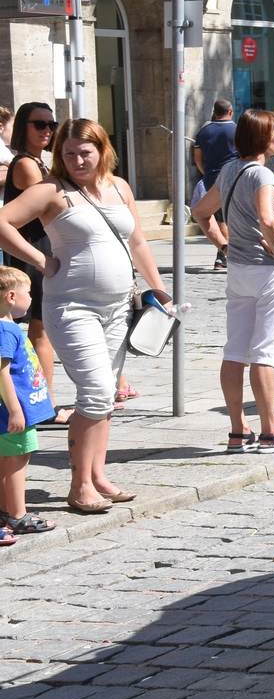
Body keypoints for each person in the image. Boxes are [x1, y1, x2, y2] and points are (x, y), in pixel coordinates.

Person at [0, 119, 169, 512]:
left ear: (102, 150)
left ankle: (97, 476)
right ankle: (79, 487)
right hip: (72, 308)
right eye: (68, 153)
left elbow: (138, 240)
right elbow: (2, 221)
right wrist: (42, 260)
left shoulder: (119, 186)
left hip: (117, 308)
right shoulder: (52, 190)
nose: (77, 160)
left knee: (106, 395)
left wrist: (158, 286)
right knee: (93, 393)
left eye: (85, 152)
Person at [191, 110, 274, 453]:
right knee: (265, 353)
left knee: (235, 351)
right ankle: (271, 428)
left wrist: (223, 245)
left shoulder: (229, 170)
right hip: (268, 271)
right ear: (261, 138)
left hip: (238, 270)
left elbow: (201, 211)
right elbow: (267, 218)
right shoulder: (262, 175)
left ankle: (238, 429)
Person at [3, 103, 64, 426]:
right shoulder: (27, 165)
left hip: (38, 247)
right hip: (32, 251)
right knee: (40, 328)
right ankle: (47, 403)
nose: (47, 130)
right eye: (38, 124)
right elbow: (53, 201)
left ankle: (44, 399)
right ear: (23, 127)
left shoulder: (40, 163)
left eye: (51, 124)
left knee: (42, 327)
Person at [0, 265, 53, 539]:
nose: (31, 298)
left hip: (15, 411)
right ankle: (18, 515)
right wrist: (15, 410)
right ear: (11, 297)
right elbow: (2, 372)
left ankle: (6, 508)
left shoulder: (9, 327)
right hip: (14, 413)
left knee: (9, 458)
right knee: (17, 459)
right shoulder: (5, 331)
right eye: (28, 293)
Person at [193, 100, 238, 269]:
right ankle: (225, 255)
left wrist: (207, 174)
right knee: (233, 216)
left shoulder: (204, 131)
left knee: (221, 217)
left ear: (215, 112)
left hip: (212, 178)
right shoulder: (237, 130)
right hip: (234, 177)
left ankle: (222, 254)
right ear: (231, 112)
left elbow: (198, 158)